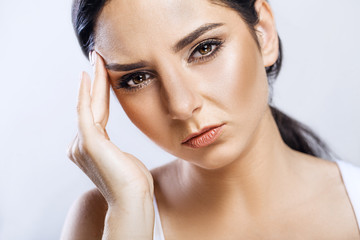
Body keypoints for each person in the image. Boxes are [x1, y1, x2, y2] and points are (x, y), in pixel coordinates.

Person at [61, 0, 360, 239]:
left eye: (204, 48)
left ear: (264, 34)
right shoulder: (103, 219)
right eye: (137, 78)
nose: (181, 105)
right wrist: (129, 211)